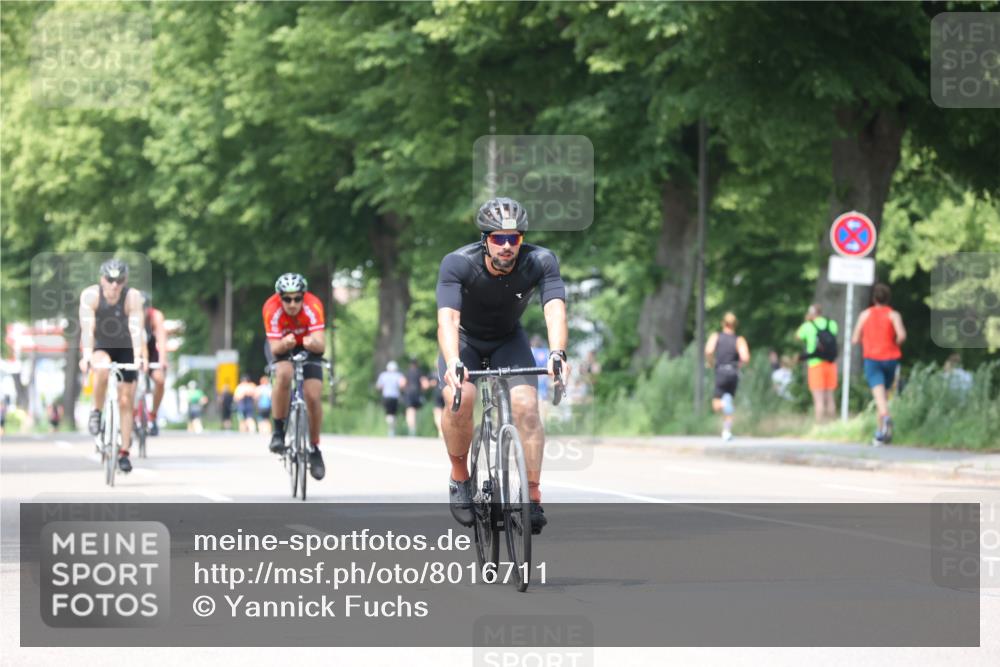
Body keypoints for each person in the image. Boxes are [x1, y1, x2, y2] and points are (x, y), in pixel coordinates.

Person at [437, 196, 569, 535]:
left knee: (526, 407)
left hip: (508, 340)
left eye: (514, 238)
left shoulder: (541, 261)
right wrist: (452, 361)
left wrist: (558, 353)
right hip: (465, 342)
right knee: (461, 399)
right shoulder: (458, 263)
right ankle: (459, 476)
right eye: (499, 238)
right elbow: (448, 319)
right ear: (485, 240)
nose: (507, 246)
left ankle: (533, 496)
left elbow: (554, 309)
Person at [78, 259, 146, 473]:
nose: (114, 285)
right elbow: (87, 329)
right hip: (101, 345)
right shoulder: (90, 295)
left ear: (125, 281)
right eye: (110, 280)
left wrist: (138, 356)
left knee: (126, 400)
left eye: (119, 280)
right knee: (102, 367)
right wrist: (86, 355)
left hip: (126, 346)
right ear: (102, 279)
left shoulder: (132, 297)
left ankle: (124, 452)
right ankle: (96, 411)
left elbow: (136, 329)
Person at [262, 272, 327, 480]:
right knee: (284, 373)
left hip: (308, 346)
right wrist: (285, 344)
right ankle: (278, 431)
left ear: (303, 296)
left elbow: (321, 345)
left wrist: (312, 344)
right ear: (279, 298)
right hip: (281, 345)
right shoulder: (271, 308)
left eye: (297, 298)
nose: (292, 304)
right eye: (287, 299)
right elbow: (275, 348)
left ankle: (314, 449)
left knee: (313, 395)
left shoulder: (313, 305)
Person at [852, 282, 906, 446]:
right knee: (883, 397)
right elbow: (902, 335)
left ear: (874, 298)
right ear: (888, 298)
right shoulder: (893, 315)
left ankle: (886, 419)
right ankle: (881, 434)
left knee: (879, 398)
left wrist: (866, 340)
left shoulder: (865, 314)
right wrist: (895, 343)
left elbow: (855, 338)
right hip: (891, 358)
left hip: (873, 359)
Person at [704, 312, 750, 441]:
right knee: (729, 402)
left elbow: (708, 350)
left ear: (723, 323)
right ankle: (727, 431)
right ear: (735, 325)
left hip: (721, 372)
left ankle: (724, 405)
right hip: (733, 374)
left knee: (716, 404)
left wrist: (710, 362)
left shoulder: (716, 336)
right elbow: (745, 357)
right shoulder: (739, 340)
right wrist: (739, 365)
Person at [796, 303, 839, 422]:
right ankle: (832, 425)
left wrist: (807, 320)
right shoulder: (831, 323)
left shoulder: (808, 325)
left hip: (815, 364)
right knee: (830, 397)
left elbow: (798, 336)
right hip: (830, 364)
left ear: (811, 313)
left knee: (818, 400)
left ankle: (819, 425)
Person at [141, 291, 168, 436]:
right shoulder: (128, 316)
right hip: (133, 350)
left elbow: (161, 339)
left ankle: (153, 414)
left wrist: (162, 360)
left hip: (151, 351)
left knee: (160, 379)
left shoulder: (156, 316)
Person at [376, 361, 406, 437]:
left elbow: (379, 386)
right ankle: (392, 429)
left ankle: (390, 427)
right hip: (395, 397)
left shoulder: (383, 375)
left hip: (386, 396)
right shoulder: (398, 375)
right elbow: (402, 385)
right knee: (393, 414)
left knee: (388, 414)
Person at [403, 359, 428, 437]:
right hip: (417, 393)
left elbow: (402, 384)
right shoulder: (419, 372)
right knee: (416, 411)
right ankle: (415, 428)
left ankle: (412, 429)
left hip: (409, 393)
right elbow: (425, 385)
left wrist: (405, 389)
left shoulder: (407, 372)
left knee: (410, 411)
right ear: (417, 364)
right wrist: (422, 390)